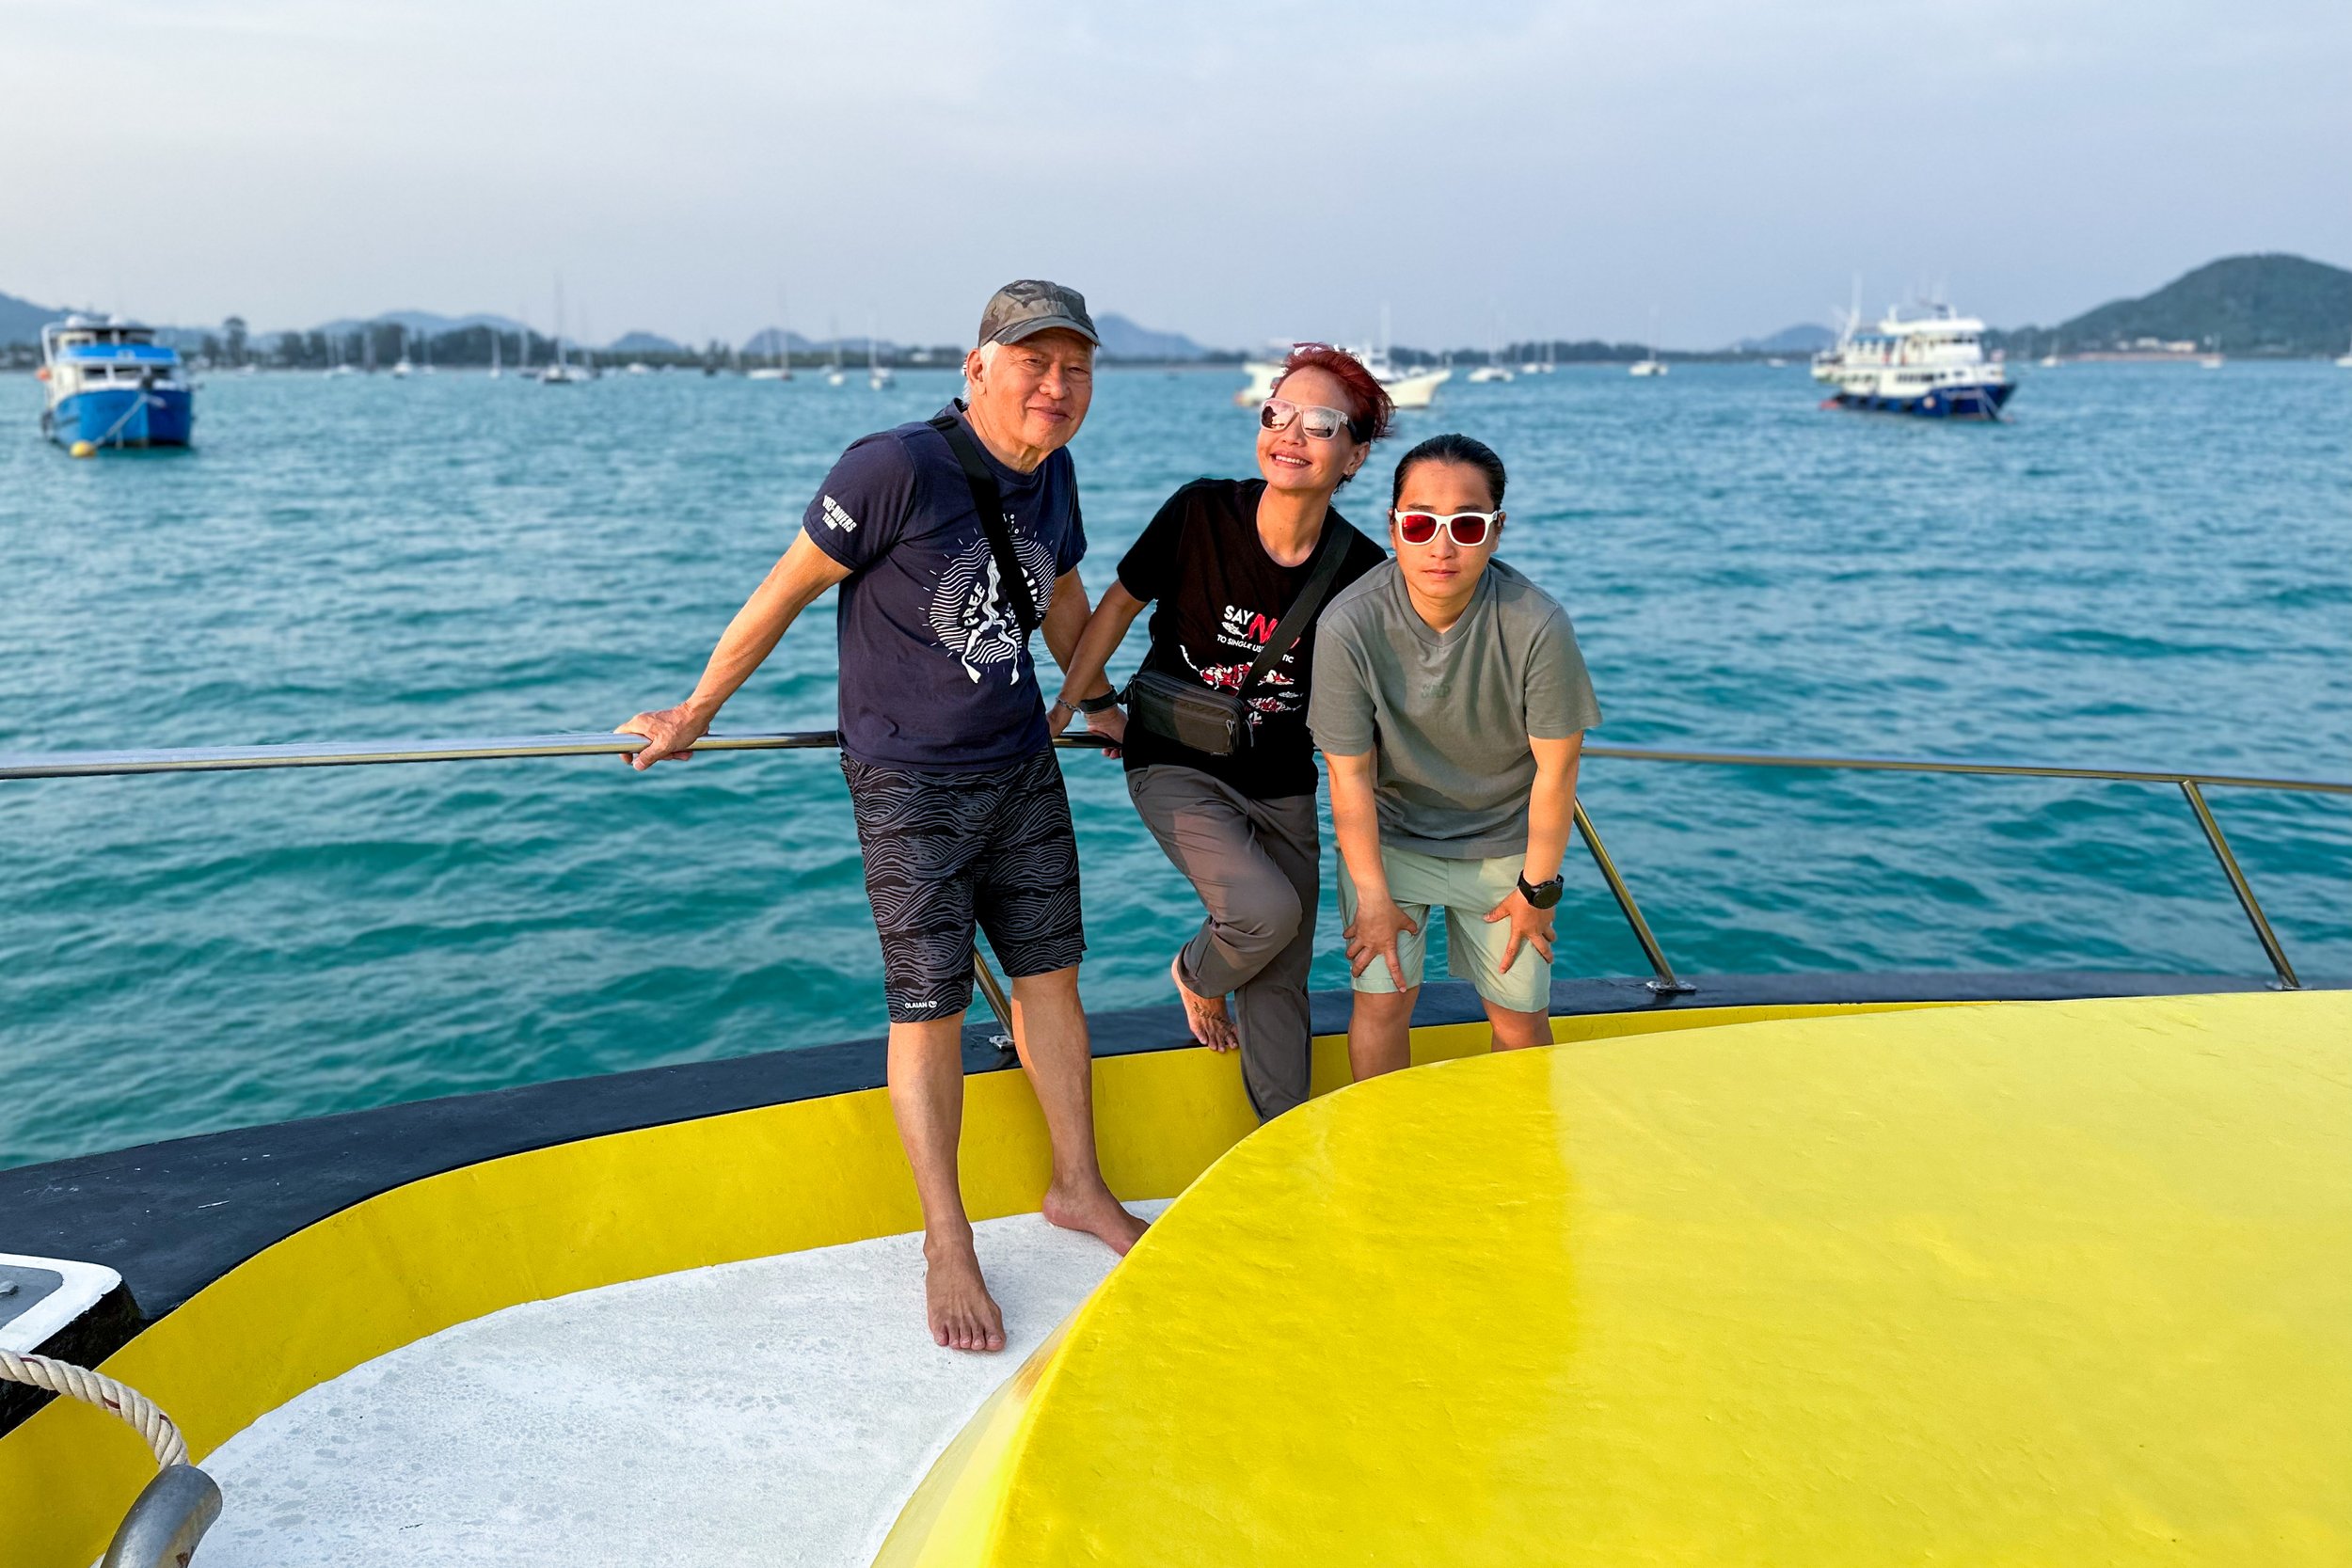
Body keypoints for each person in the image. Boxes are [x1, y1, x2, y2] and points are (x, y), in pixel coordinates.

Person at [618, 280, 1145, 1354]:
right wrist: (695, 710)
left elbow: (1058, 595)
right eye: (1033, 362)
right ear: (978, 366)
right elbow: (786, 587)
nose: (1055, 385)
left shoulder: (1054, 472)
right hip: (909, 781)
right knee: (929, 1004)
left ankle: (1078, 1185)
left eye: (1074, 367)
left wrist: (1097, 700)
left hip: (1021, 765)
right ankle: (946, 1237)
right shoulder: (893, 466)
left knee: (1051, 975)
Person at [1056, 346, 1392, 1119]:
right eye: (1278, 413)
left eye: (1321, 424)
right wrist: (1079, 702)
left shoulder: (1363, 569)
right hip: (1175, 760)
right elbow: (1118, 605)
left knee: (1283, 972)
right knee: (1263, 913)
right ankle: (1195, 972)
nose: (1291, 434)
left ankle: (1281, 1134)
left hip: (1283, 780)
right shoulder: (1200, 512)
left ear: (1354, 456)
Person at [1308, 434, 1601, 1078]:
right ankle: (1382, 1132)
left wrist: (1537, 889)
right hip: (1389, 844)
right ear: (1394, 527)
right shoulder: (1348, 624)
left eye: (1466, 525)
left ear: (1496, 531)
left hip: (1505, 847)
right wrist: (1372, 896)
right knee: (1382, 1003)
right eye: (1420, 524)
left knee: (1519, 1017)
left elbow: (1557, 772)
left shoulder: (1537, 624)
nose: (1442, 547)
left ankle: (1521, 1137)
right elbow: (1348, 777)